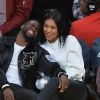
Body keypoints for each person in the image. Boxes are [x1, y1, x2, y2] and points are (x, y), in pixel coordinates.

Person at [0, 20, 70, 100]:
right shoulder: (3, 42)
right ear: (22, 26)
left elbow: (52, 66)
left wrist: (62, 74)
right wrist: (5, 86)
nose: (34, 29)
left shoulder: (37, 51)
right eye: (32, 25)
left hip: (21, 90)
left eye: (37, 29)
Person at [39, 9, 87, 100]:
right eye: (46, 26)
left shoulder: (70, 41)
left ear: (59, 29)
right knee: (53, 97)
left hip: (75, 86)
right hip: (51, 88)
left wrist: (62, 76)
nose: (48, 30)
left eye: (53, 28)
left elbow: (75, 68)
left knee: (54, 81)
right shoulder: (41, 45)